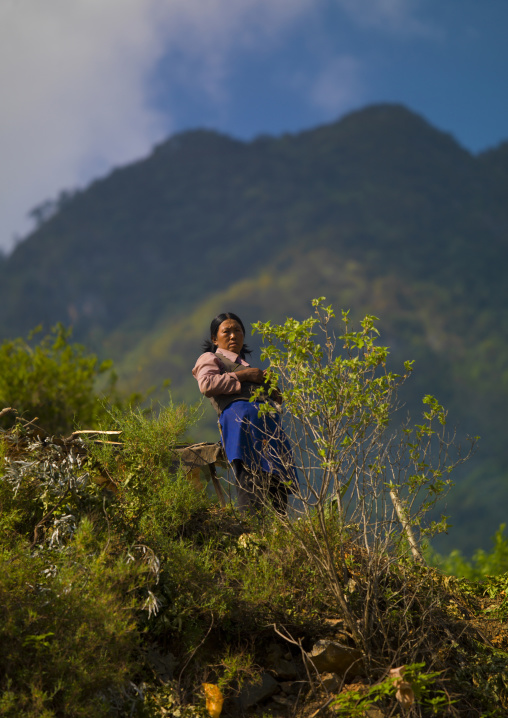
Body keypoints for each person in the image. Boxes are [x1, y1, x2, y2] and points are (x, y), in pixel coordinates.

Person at [192, 312, 296, 513]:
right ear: (215, 339)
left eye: (237, 331)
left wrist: (272, 389)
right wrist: (245, 375)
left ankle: (277, 537)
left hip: (269, 432)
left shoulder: (248, 367)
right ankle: (250, 534)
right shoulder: (211, 358)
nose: (233, 336)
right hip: (242, 429)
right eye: (226, 332)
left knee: (276, 489)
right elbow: (206, 385)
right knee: (251, 484)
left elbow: (279, 402)